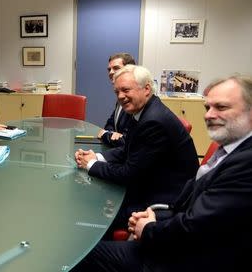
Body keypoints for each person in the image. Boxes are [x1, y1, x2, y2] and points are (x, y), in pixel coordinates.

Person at [72, 74, 252, 272]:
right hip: (174, 221)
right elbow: (198, 210)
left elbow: (195, 227)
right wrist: (157, 217)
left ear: (146, 89)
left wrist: (149, 228)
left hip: (187, 258)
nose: (209, 115)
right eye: (207, 107)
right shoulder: (231, 149)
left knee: (84, 253)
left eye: (222, 107)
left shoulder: (246, 163)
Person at [75, 64, 199, 239]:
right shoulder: (144, 110)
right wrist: (97, 156)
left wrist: (92, 165)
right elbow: (128, 149)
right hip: (151, 184)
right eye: (117, 92)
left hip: (162, 200)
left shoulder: (153, 121)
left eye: (125, 90)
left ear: (146, 89)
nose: (120, 96)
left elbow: (129, 173)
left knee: (89, 213)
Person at [97, 53, 136, 147]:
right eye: (109, 69)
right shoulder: (121, 94)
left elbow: (125, 141)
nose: (110, 72)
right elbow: (110, 123)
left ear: (129, 70)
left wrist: (105, 135)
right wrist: (112, 133)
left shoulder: (135, 98)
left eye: (116, 68)